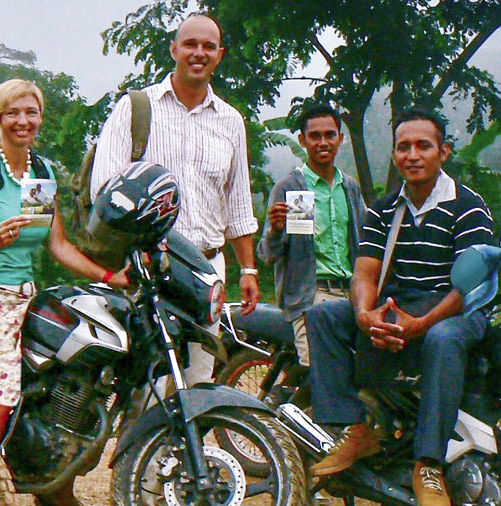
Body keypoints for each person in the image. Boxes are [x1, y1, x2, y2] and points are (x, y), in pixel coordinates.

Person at [0, 78, 129, 506]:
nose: (22, 121)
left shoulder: (41, 173)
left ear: (40, 117)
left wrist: (107, 275)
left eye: (30, 112)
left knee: (58, 385)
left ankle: (52, 487)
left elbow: (58, 244)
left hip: (25, 298)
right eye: (13, 113)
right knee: (2, 393)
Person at [306, 108, 496, 506]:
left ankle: (427, 463)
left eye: (423, 146)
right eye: (403, 147)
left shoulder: (468, 206)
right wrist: (364, 313)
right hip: (401, 306)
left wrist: (421, 324)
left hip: (456, 311)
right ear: (394, 155)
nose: (412, 154)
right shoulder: (383, 208)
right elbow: (364, 274)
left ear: (442, 152)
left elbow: (470, 285)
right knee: (323, 314)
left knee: (443, 338)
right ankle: (356, 428)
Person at [90, 12, 259, 386]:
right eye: (190, 44)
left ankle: (187, 447)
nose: (199, 53)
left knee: (198, 385)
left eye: (208, 46)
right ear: (174, 49)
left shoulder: (231, 121)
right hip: (147, 269)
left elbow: (238, 203)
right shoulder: (135, 108)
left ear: (220, 55)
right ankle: (134, 446)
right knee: (147, 387)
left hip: (207, 270)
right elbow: (104, 190)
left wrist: (248, 269)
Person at [257, 104, 365, 371]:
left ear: (341, 138)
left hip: (352, 294)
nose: (323, 142)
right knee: (321, 376)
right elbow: (267, 255)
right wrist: (275, 230)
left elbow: (364, 244)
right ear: (303, 141)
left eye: (330, 135)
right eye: (315, 136)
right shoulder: (291, 188)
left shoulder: (349, 187)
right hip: (310, 295)